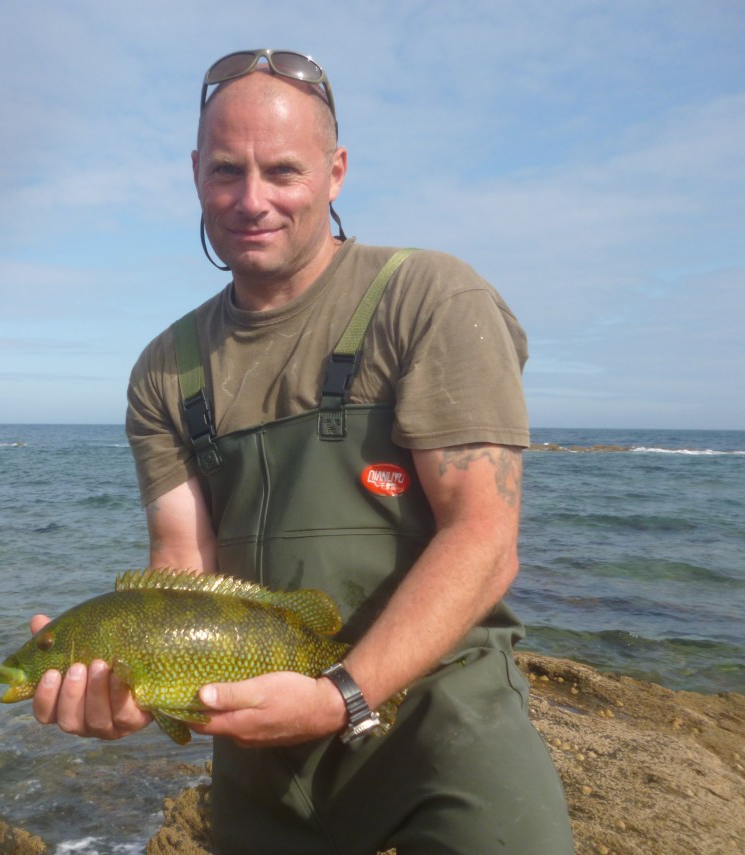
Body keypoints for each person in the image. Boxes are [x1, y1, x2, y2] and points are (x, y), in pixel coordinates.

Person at [29, 49, 575, 854]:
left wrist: (339, 695)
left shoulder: (430, 299)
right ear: (194, 173)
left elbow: (484, 540)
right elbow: (182, 562)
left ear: (336, 171)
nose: (252, 200)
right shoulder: (166, 368)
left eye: (283, 170)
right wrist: (132, 685)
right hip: (259, 732)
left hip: (441, 713)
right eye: (226, 171)